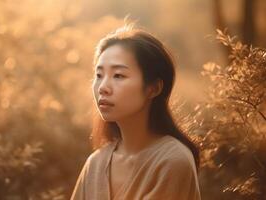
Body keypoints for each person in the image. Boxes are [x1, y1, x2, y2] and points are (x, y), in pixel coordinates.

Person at [70, 23, 201, 200]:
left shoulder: (173, 161)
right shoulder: (95, 163)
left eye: (118, 75)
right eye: (99, 75)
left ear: (153, 88)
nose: (103, 87)